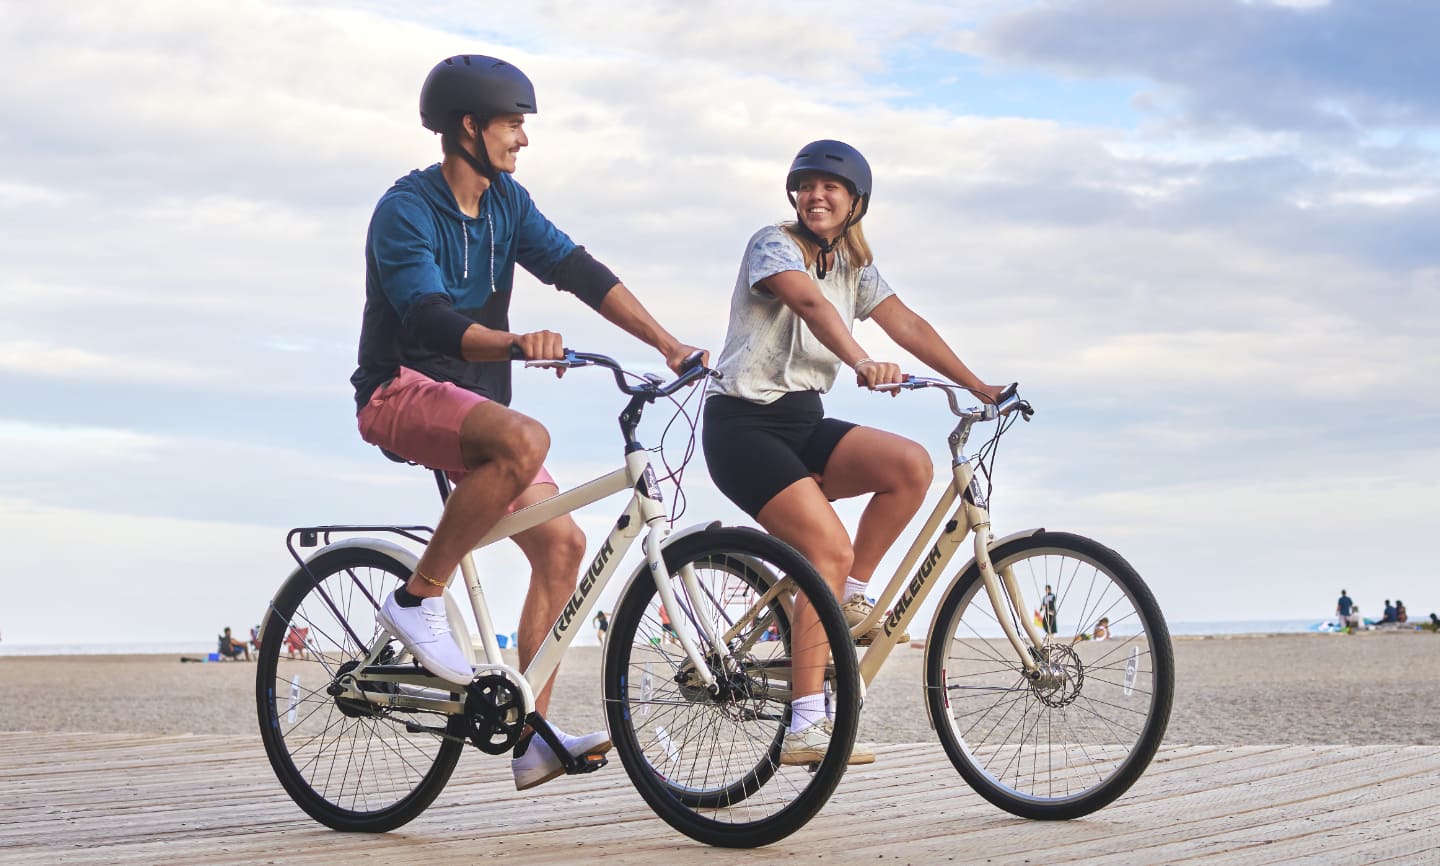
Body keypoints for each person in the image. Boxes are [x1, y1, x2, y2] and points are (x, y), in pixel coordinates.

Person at [353, 55, 705, 791]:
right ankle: (416, 600)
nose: (522, 139)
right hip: (400, 388)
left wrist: (667, 344)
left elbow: (579, 270)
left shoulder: (509, 202)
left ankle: (530, 736)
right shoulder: (406, 210)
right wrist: (517, 343)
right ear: (469, 127)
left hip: (476, 404)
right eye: (513, 124)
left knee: (562, 544)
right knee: (526, 438)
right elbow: (428, 317)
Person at [702, 140, 1006, 766]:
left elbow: (908, 324)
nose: (816, 195)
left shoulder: (854, 267)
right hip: (742, 428)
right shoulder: (773, 244)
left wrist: (975, 383)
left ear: (855, 203)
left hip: (800, 422)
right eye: (807, 185)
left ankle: (848, 591)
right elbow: (808, 304)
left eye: (830, 188)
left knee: (909, 466)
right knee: (825, 550)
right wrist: (861, 360)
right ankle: (805, 722)